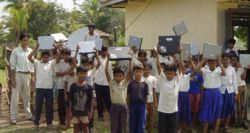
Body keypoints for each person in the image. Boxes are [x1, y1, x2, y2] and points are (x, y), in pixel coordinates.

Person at [156, 46, 182, 133]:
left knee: (172, 130)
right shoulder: (163, 78)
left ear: (175, 74)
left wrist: (180, 53)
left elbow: (181, 66)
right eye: (167, 73)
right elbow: (159, 67)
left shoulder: (177, 79)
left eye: (171, 74)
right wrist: (157, 54)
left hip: (173, 111)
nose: (169, 75)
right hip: (162, 110)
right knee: (162, 130)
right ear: (165, 73)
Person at [196, 57, 226, 133]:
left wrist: (219, 63)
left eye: (214, 62)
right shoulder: (205, 70)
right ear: (208, 63)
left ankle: (215, 131)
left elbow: (224, 73)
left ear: (216, 63)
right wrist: (203, 60)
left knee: (217, 113)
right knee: (206, 112)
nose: (212, 64)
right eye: (210, 62)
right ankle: (205, 131)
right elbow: (196, 70)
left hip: (217, 93)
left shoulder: (219, 70)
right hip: (208, 93)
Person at [28, 43, 54, 128]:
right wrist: (36, 48)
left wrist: (54, 46)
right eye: (44, 57)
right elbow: (29, 57)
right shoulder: (37, 63)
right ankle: (36, 123)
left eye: (47, 57)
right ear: (41, 57)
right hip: (39, 88)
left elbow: (58, 57)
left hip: (49, 88)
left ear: (49, 57)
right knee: (38, 106)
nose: (46, 58)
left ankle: (49, 123)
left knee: (49, 106)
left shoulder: (51, 63)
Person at [9, 33, 33, 124]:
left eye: (27, 40)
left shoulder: (30, 51)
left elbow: (32, 66)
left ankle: (28, 115)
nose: (26, 42)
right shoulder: (15, 51)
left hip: (27, 75)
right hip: (18, 75)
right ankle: (13, 117)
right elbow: (12, 67)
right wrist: (13, 79)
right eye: (24, 40)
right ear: (20, 40)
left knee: (27, 97)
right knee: (15, 97)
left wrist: (33, 77)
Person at [105, 54, 132, 133]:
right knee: (114, 125)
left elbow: (130, 72)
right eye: (116, 76)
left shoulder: (124, 83)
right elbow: (106, 72)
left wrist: (130, 59)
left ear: (123, 77)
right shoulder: (111, 83)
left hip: (123, 107)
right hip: (114, 107)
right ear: (114, 76)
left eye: (120, 76)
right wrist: (107, 59)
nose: (118, 77)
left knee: (123, 125)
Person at [69, 66, 93, 133]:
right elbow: (70, 100)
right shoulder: (73, 86)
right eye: (80, 73)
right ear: (77, 74)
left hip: (85, 112)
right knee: (76, 128)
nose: (82, 75)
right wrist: (70, 112)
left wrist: (91, 112)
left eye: (84, 73)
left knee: (85, 128)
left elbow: (91, 101)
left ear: (86, 74)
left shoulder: (89, 87)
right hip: (74, 112)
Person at [53, 48, 71, 127]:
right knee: (61, 105)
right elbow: (57, 74)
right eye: (64, 54)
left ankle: (71, 120)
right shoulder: (59, 63)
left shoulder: (72, 62)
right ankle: (62, 121)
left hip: (70, 87)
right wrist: (67, 72)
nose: (66, 56)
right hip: (61, 86)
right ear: (62, 55)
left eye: (67, 54)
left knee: (70, 104)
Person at [127, 65, 149, 133]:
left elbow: (146, 96)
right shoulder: (131, 83)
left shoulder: (145, 84)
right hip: (133, 106)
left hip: (142, 106)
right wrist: (128, 107)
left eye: (140, 71)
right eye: (136, 71)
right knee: (132, 123)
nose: (138, 73)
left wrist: (146, 107)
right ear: (133, 72)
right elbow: (128, 96)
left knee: (141, 124)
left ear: (142, 72)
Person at [220, 54, 238, 132]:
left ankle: (226, 125)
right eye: (224, 59)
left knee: (229, 108)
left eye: (227, 59)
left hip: (230, 91)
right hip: (221, 91)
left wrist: (236, 92)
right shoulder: (218, 68)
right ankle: (220, 124)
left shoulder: (232, 69)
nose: (225, 61)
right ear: (222, 60)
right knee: (221, 108)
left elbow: (235, 81)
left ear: (229, 60)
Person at [231, 55, 249, 128]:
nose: (233, 62)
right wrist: (235, 69)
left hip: (243, 88)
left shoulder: (241, 68)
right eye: (232, 60)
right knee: (236, 105)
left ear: (238, 61)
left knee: (243, 105)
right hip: (236, 89)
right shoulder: (231, 69)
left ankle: (243, 121)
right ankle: (237, 121)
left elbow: (243, 77)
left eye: (234, 60)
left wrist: (245, 69)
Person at [142, 63, 157, 133]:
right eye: (145, 69)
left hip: (150, 101)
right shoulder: (140, 78)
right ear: (142, 70)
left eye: (148, 69)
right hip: (142, 101)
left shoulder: (153, 78)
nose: (146, 71)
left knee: (150, 118)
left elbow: (154, 91)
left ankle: (150, 130)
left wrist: (155, 103)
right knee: (142, 118)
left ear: (150, 70)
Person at [188, 57, 203, 124]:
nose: (193, 64)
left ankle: (194, 122)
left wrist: (201, 95)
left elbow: (201, 85)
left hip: (197, 93)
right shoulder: (187, 72)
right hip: (189, 93)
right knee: (189, 109)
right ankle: (188, 122)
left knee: (196, 109)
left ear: (197, 64)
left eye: (195, 63)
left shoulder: (199, 73)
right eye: (192, 63)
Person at [63, 57, 77, 129]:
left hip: (76, 93)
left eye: (74, 64)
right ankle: (68, 124)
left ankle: (76, 124)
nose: (72, 65)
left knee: (76, 109)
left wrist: (75, 74)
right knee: (68, 109)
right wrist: (65, 94)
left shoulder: (78, 72)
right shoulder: (67, 72)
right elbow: (65, 84)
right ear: (69, 64)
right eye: (71, 64)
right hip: (69, 93)